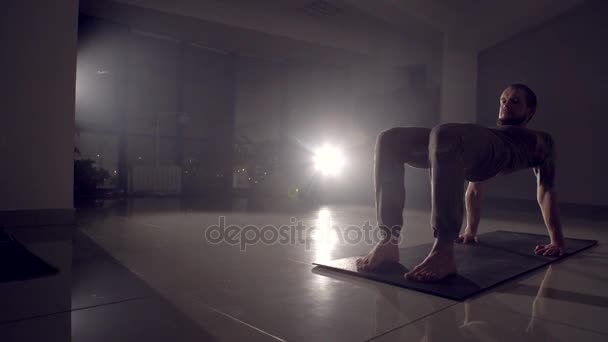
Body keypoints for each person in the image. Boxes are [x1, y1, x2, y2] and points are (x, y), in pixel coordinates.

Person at [356, 84, 565, 282]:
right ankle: (388, 240)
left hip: (500, 148)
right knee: (390, 139)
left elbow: (546, 189)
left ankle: (444, 250)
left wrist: (556, 240)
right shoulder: (484, 136)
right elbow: (475, 186)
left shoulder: (541, 140)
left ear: (530, 111)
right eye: (503, 100)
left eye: (515, 101)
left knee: (445, 133)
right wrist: (470, 231)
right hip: (481, 148)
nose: (506, 105)